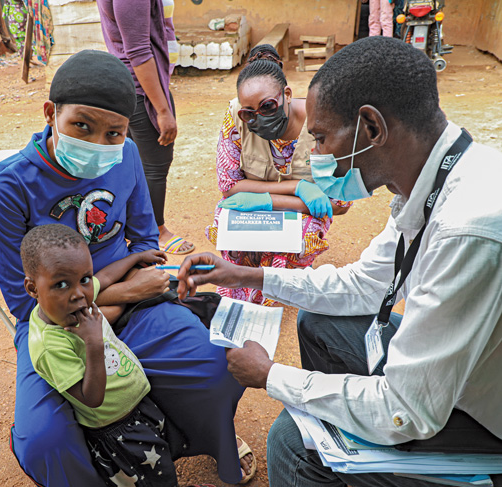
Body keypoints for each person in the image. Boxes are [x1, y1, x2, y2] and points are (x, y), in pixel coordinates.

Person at [177, 36, 502, 486]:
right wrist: (245, 274)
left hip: (484, 413)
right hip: (460, 375)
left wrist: (271, 375)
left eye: (322, 137)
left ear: (371, 127)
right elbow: (364, 285)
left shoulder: (467, 229)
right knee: (319, 322)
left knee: (292, 442)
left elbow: (406, 410)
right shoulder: (435, 181)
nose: (317, 156)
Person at [0, 50, 251, 486]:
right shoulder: (10, 184)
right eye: (82, 126)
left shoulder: (126, 156)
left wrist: (129, 292)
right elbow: (23, 300)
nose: (97, 143)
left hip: (133, 302)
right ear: (51, 113)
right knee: (43, 441)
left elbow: (145, 240)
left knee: (215, 368)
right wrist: (122, 297)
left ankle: (198, 440)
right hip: (56, 323)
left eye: (114, 132)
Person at [21, 223, 188, 485]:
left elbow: (105, 278)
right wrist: (94, 343)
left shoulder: (74, 300)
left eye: (84, 279)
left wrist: (134, 257)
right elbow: (92, 398)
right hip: (118, 430)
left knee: (162, 466)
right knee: (153, 480)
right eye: (61, 284)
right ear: (33, 289)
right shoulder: (49, 345)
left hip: (137, 408)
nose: (80, 294)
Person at [208, 44, 350, 306]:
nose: (257, 118)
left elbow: (338, 204)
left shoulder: (324, 120)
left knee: (298, 236)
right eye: (248, 113)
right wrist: (298, 188)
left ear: (287, 94)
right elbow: (229, 185)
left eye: (268, 106)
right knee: (226, 222)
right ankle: (240, 293)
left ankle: (274, 291)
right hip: (286, 203)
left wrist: (270, 202)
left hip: (299, 213)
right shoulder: (234, 116)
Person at [97, 0, 195, 255]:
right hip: (141, 90)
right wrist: (162, 109)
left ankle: (131, 226)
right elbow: (138, 50)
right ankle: (157, 231)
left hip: (134, 85)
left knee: (131, 162)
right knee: (155, 164)